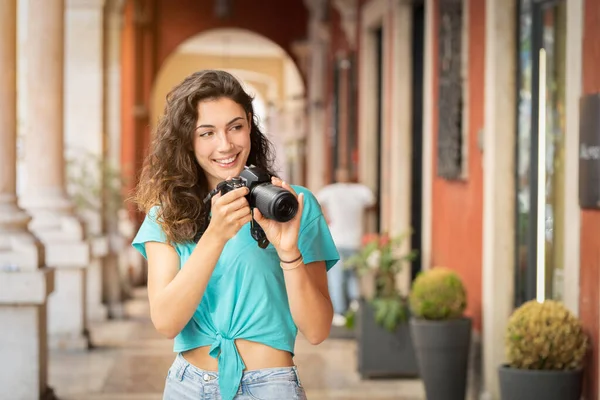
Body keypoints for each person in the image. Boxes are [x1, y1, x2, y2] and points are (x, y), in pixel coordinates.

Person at [131, 70, 339, 400]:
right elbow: (166, 322)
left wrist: (289, 254)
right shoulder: (166, 214)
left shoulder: (291, 205)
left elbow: (316, 330)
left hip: (271, 386)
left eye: (235, 127)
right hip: (188, 386)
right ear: (187, 140)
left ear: (251, 128)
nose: (225, 145)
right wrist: (215, 236)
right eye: (207, 133)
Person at [316, 169, 376, 326]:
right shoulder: (361, 191)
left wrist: (326, 217)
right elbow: (372, 204)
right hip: (354, 240)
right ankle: (354, 304)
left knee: (337, 277)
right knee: (352, 275)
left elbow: (316, 202)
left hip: (336, 241)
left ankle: (339, 312)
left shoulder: (329, 191)